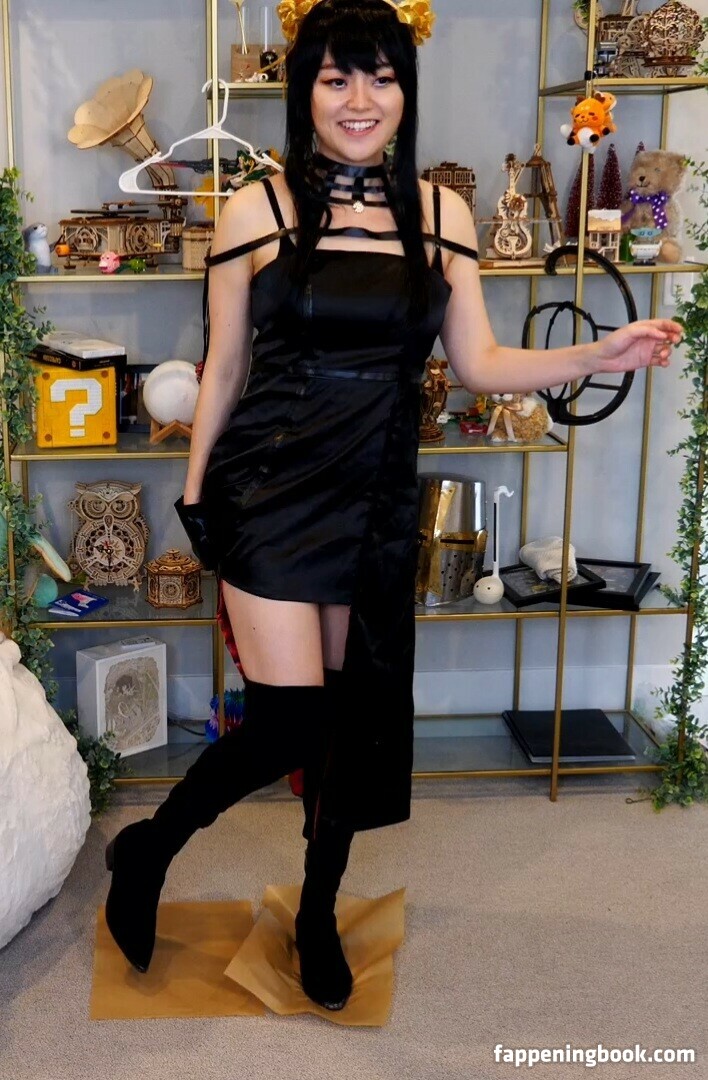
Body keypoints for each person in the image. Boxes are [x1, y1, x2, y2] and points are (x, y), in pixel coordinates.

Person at [103, 0, 682, 1013]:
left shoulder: (442, 215)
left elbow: (480, 362)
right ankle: (150, 851)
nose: (359, 99)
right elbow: (224, 367)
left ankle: (317, 910)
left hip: (372, 496)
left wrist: (601, 351)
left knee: (348, 725)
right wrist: (197, 501)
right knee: (288, 724)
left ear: (405, 92)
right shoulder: (256, 210)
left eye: (379, 77)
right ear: (307, 92)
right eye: (337, 78)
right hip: (269, 493)